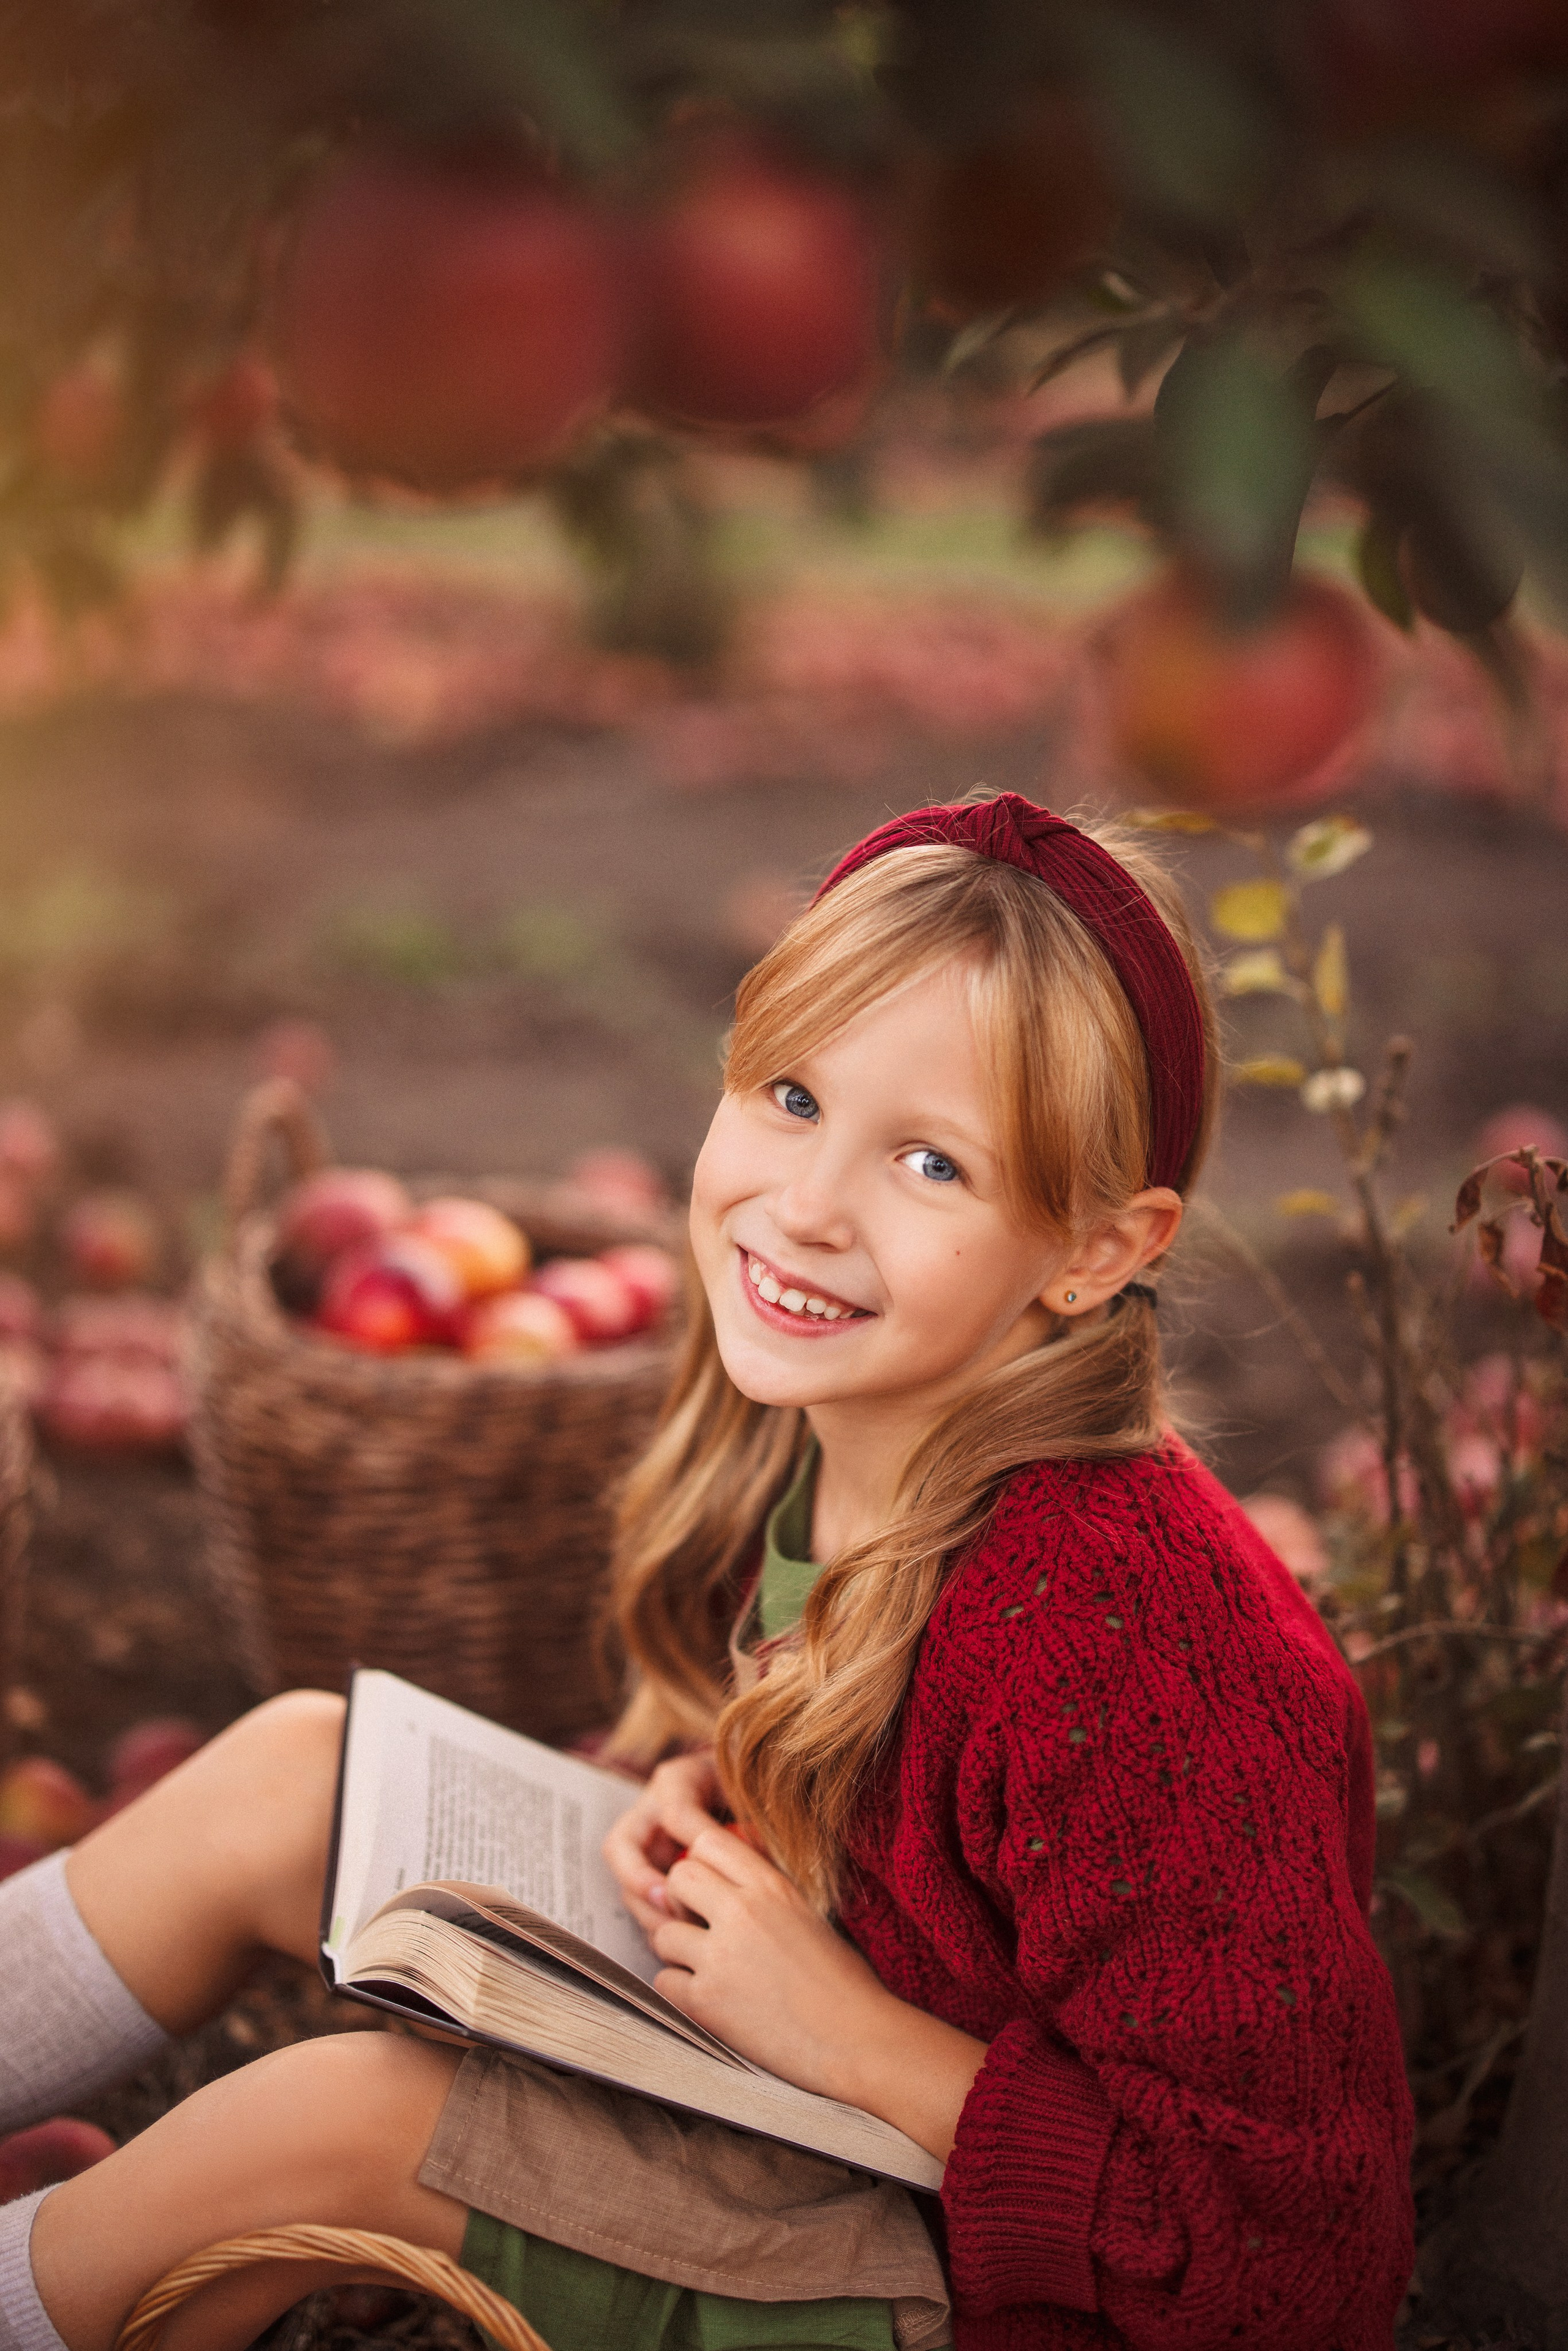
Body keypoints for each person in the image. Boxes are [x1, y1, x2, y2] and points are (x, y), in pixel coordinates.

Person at [0, 793, 1414, 2351]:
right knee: (293, 1768)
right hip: (827, 2114)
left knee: (322, 2130)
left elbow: (1295, 2262)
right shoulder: (853, 1424)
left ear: (1091, 1249)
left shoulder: (1138, 1641)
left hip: (970, 2282)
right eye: (790, 1095)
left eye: (931, 1163)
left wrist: (857, 2040)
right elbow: (911, 1820)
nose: (806, 1206)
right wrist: (712, 1785)